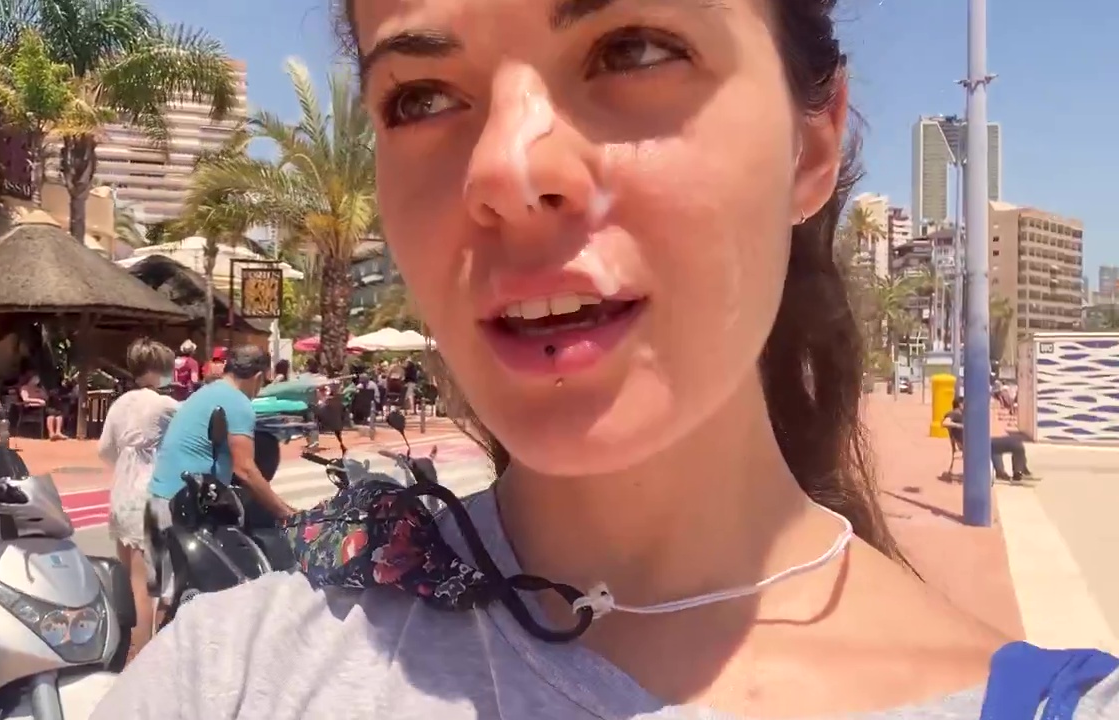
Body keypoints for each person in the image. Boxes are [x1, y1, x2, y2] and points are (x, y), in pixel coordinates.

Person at [95, 0, 1118, 717]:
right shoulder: (234, 679)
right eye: (422, 97)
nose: (506, 171)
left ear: (811, 146)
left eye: (632, 49)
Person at [143, 345, 296, 615]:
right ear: (258, 377)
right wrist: (285, 512)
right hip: (185, 506)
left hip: (159, 499)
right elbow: (245, 469)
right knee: (206, 595)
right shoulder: (238, 402)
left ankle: (156, 642)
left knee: (169, 596)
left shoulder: (206, 392)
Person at [97, 338, 180, 656]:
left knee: (131, 580)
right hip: (152, 495)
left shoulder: (120, 404)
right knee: (151, 587)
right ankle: (141, 657)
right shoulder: (165, 405)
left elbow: (105, 450)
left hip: (122, 494)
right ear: (162, 369)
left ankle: (128, 651)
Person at [942, 396, 1037, 482]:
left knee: (996, 447)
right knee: (1016, 444)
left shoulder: (963, 414)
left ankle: (1004, 472)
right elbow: (945, 423)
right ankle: (1019, 472)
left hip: (979, 442)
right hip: (976, 444)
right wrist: (962, 426)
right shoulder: (956, 413)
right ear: (960, 404)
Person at [18, 371, 66, 440]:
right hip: (30, 407)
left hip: (42, 406)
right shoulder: (24, 388)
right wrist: (38, 401)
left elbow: (46, 398)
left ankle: (58, 432)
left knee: (57, 413)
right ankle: (51, 433)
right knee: (50, 413)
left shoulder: (39, 388)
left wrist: (42, 391)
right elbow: (25, 399)